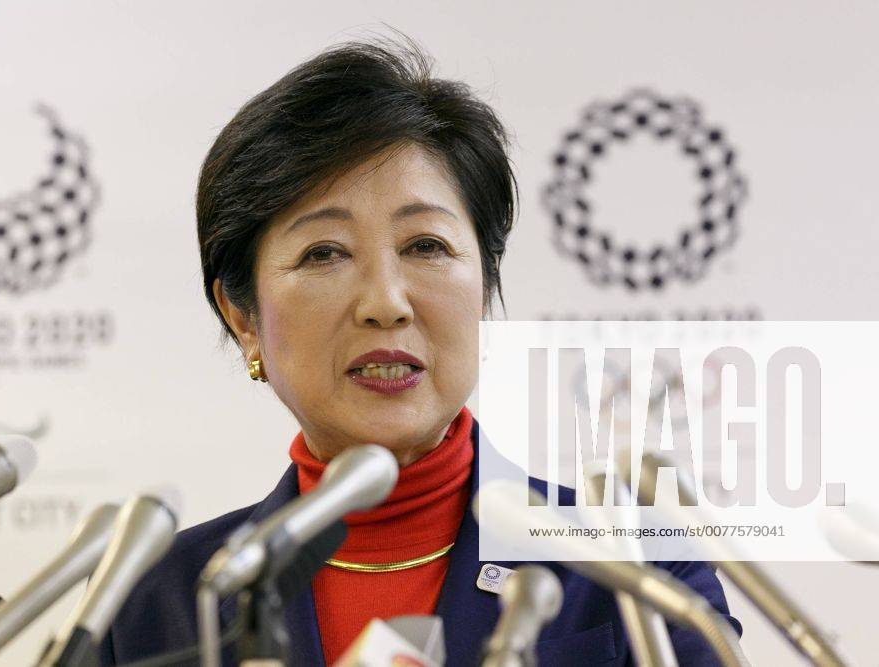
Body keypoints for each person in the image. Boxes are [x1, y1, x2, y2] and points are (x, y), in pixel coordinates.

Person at [98, 36, 741, 666]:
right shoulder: (156, 606)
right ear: (244, 318)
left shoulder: (628, 565)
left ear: (485, 287)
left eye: (425, 246)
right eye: (324, 253)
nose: (386, 301)